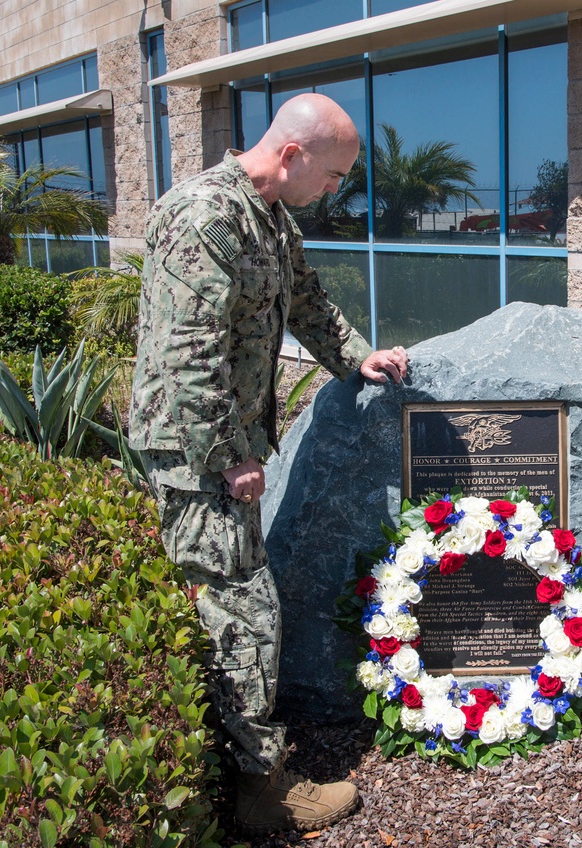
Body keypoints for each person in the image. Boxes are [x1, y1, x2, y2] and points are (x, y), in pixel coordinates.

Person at [129, 93, 408, 834]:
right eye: (335, 174)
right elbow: (188, 354)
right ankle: (261, 792)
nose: (335, 190)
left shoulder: (271, 219)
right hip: (196, 454)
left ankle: (235, 769)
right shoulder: (207, 216)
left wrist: (357, 356)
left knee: (237, 602)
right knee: (241, 608)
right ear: (292, 155)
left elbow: (309, 303)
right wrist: (230, 457)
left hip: (219, 449)